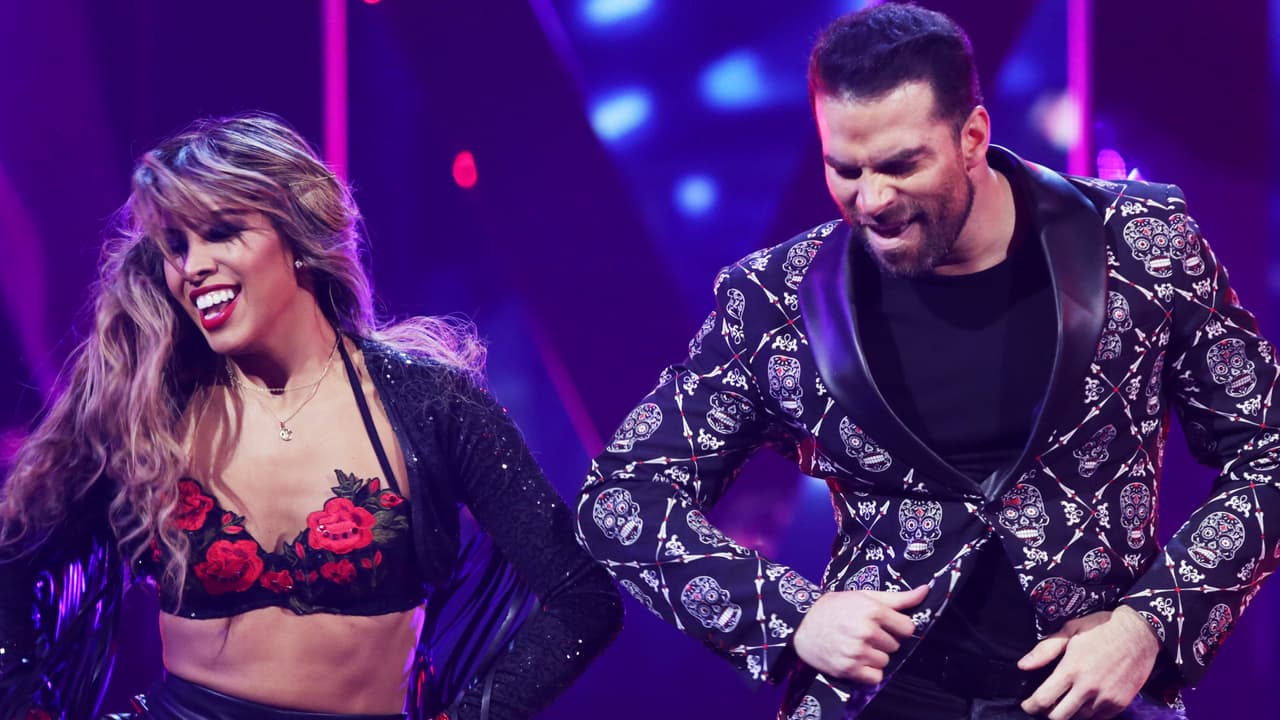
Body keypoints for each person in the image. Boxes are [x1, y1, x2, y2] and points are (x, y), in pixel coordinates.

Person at [576, 4, 1277, 719]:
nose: (872, 199)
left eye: (901, 165)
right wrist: (791, 616)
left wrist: (1149, 626)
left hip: (1092, 694)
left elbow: (1270, 449)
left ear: (973, 136)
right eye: (844, 169)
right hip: (881, 698)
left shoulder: (1139, 242)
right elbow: (621, 495)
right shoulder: (776, 300)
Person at [0, 112, 622, 720]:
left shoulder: (430, 404)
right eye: (177, 246)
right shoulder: (151, 406)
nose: (191, 267)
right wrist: (26, 704)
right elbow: (15, 553)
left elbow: (583, 598)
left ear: (296, 237)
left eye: (220, 232)